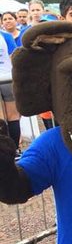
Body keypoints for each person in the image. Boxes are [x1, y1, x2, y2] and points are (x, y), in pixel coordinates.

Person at [0, 27, 19, 155]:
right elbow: (13, 57)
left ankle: (4, 153)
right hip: (8, 77)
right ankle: (15, 150)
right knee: (13, 117)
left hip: (6, 79)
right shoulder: (6, 36)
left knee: (1, 119)